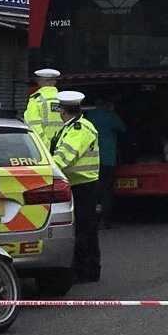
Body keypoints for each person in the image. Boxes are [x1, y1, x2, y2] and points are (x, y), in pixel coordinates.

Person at [50, 91, 101, 283]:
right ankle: (85, 268)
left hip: (84, 186)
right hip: (76, 184)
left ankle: (87, 271)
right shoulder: (69, 127)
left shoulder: (80, 129)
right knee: (82, 229)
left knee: (84, 230)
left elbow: (65, 157)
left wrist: (48, 169)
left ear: (63, 110)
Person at [84, 99, 128, 227]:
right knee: (106, 190)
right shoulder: (110, 115)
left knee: (93, 190)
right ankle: (105, 220)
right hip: (108, 159)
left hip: (91, 159)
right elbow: (123, 129)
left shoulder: (89, 116)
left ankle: (92, 219)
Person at [23, 68, 63, 148]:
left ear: (40, 81)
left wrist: (46, 145)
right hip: (62, 146)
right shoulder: (64, 99)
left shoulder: (36, 100)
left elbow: (33, 125)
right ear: (54, 82)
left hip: (43, 148)